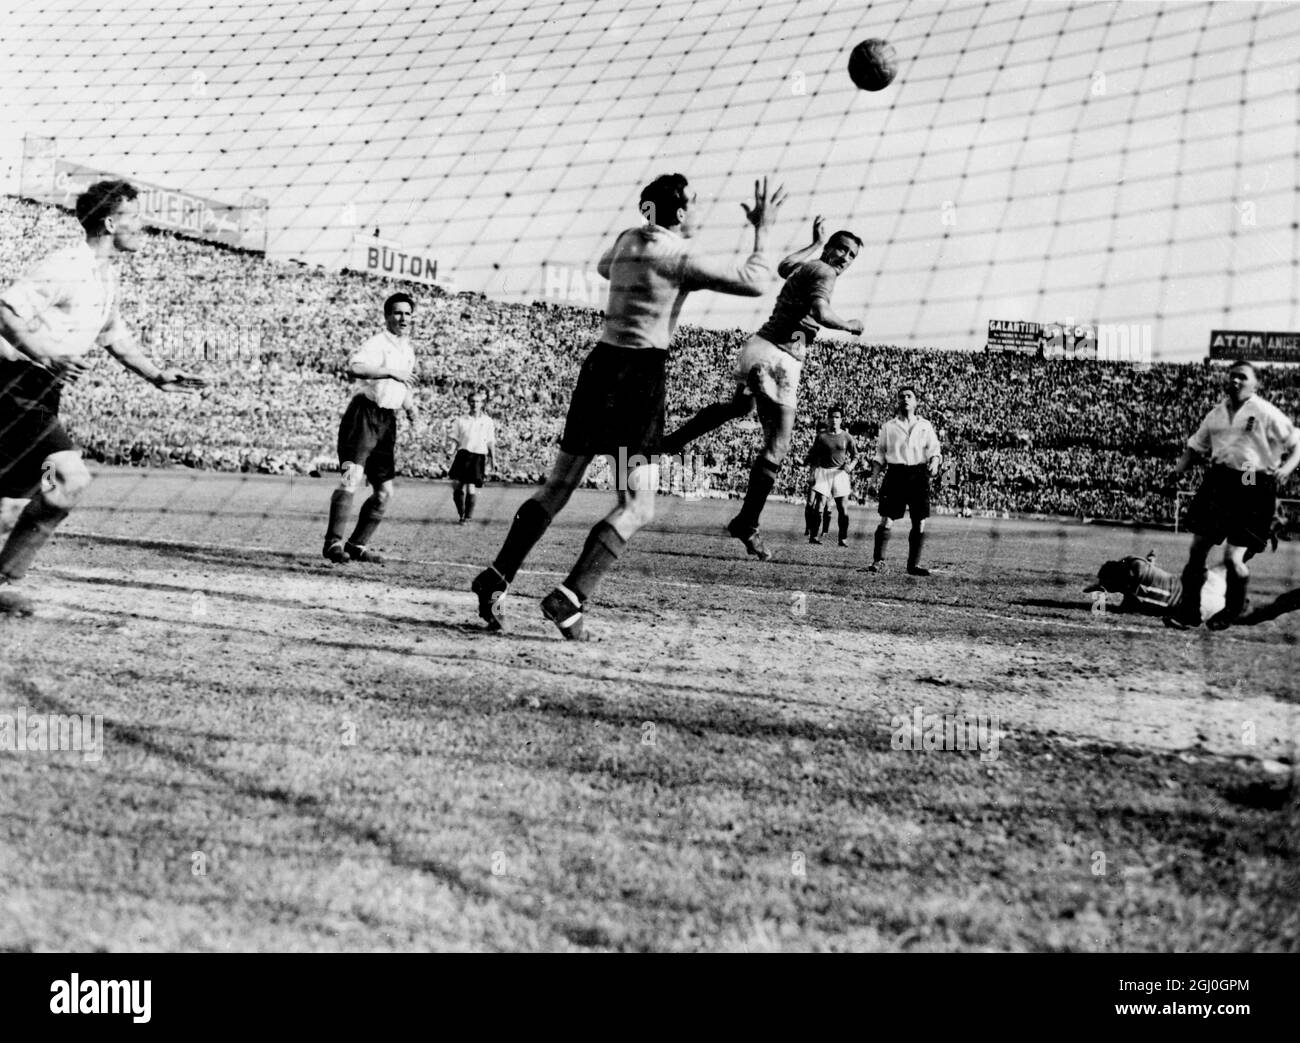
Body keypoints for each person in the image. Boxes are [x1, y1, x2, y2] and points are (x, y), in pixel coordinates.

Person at [471, 173, 781, 639]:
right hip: (638, 382)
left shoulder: (625, 240)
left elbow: (602, 268)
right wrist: (763, 227)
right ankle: (570, 597)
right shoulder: (680, 256)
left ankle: (495, 577)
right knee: (637, 505)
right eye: (695, 203)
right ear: (677, 213)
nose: (700, 210)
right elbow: (756, 282)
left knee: (557, 489)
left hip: (598, 372)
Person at [0, 179, 205, 615]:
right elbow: (5, 310)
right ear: (111, 223)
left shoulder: (106, 273)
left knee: (11, 498)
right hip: (12, 382)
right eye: (135, 216)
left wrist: (156, 376)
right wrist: (47, 354)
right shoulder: (67, 263)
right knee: (70, 479)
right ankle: (5, 578)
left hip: (39, 388)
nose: (143, 224)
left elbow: (113, 334)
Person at [659, 216, 863, 560]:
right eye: (840, 248)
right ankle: (747, 523)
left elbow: (784, 266)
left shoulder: (809, 266)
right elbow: (820, 310)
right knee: (778, 446)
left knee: (740, 409)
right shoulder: (824, 273)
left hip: (756, 347)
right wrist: (850, 325)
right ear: (830, 249)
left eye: (851, 254)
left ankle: (671, 442)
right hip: (781, 357)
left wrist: (815, 243)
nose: (844, 257)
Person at [1164, 360, 1299, 629]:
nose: (1235, 381)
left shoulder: (1265, 412)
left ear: (1255, 383)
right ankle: (1189, 611)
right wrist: (1177, 471)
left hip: (1252, 482)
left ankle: (1232, 609)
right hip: (1219, 482)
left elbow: (1297, 443)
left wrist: (1286, 468)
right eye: (1232, 377)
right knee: (1197, 551)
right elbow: (1195, 446)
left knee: (1233, 558)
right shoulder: (1216, 414)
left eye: (1241, 377)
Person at [322, 292, 418, 565]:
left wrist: (410, 407)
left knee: (385, 492)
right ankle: (333, 543)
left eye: (408, 313)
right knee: (350, 477)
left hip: (388, 421)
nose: (403, 318)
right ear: (387, 315)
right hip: (363, 415)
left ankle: (356, 545)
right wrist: (388, 371)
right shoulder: (377, 343)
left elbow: (403, 384)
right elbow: (354, 366)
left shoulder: (407, 350)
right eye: (398, 312)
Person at [867, 386, 942, 576]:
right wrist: (873, 479)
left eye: (909, 396)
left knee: (920, 521)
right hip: (895, 474)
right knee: (887, 519)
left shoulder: (925, 425)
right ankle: (878, 561)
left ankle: (913, 565)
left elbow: (935, 450)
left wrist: (934, 462)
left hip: (918, 475)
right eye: (901, 397)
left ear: (916, 402)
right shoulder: (889, 427)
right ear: (897, 401)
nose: (905, 399)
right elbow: (880, 455)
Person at [805, 405, 857, 546]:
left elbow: (855, 456)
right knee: (819, 506)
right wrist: (812, 474)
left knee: (842, 508)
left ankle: (843, 538)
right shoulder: (821, 437)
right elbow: (814, 458)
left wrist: (850, 466)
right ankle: (814, 536)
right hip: (823, 472)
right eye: (831, 417)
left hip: (840, 473)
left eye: (837, 417)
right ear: (827, 419)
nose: (834, 420)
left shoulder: (847, 437)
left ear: (841, 419)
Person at [447, 389, 497, 525]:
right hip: (463, 454)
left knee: (471, 486)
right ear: (469, 403)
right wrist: (450, 450)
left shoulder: (487, 421)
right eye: (473, 401)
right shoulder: (461, 420)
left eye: (478, 402)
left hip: (478, 456)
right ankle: (461, 513)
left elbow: (490, 441)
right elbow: (455, 439)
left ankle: (466, 517)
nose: (475, 404)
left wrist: (494, 459)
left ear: (482, 403)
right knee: (457, 486)